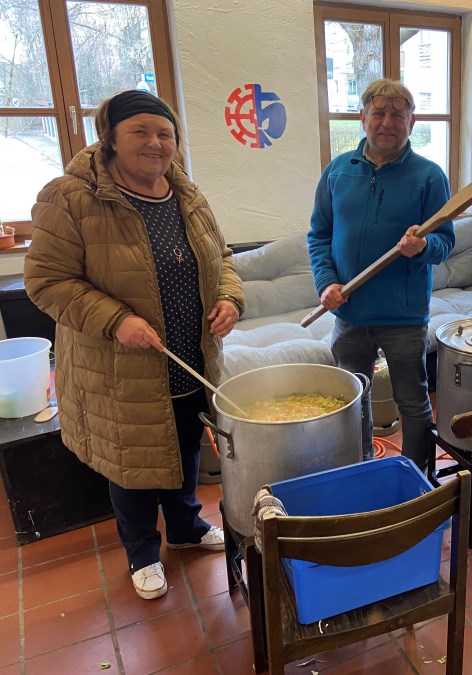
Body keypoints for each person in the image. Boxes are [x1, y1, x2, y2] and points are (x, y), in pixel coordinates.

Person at [24, 90, 244, 601]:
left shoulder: (187, 194)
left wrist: (230, 298)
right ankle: (142, 551)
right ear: (112, 140)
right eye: (140, 132)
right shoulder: (71, 197)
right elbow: (46, 281)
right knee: (133, 458)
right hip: (118, 365)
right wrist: (116, 319)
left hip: (188, 357)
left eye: (164, 133)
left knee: (184, 443)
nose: (155, 142)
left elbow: (223, 258)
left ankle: (187, 528)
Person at [307, 78, 454, 471]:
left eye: (397, 115)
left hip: (403, 318)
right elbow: (319, 235)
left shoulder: (429, 176)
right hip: (349, 313)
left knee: (413, 401)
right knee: (352, 399)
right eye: (379, 113)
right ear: (363, 117)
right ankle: (362, 467)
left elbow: (445, 242)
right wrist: (326, 283)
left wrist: (423, 246)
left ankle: (416, 477)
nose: (387, 122)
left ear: (411, 121)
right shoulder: (338, 171)